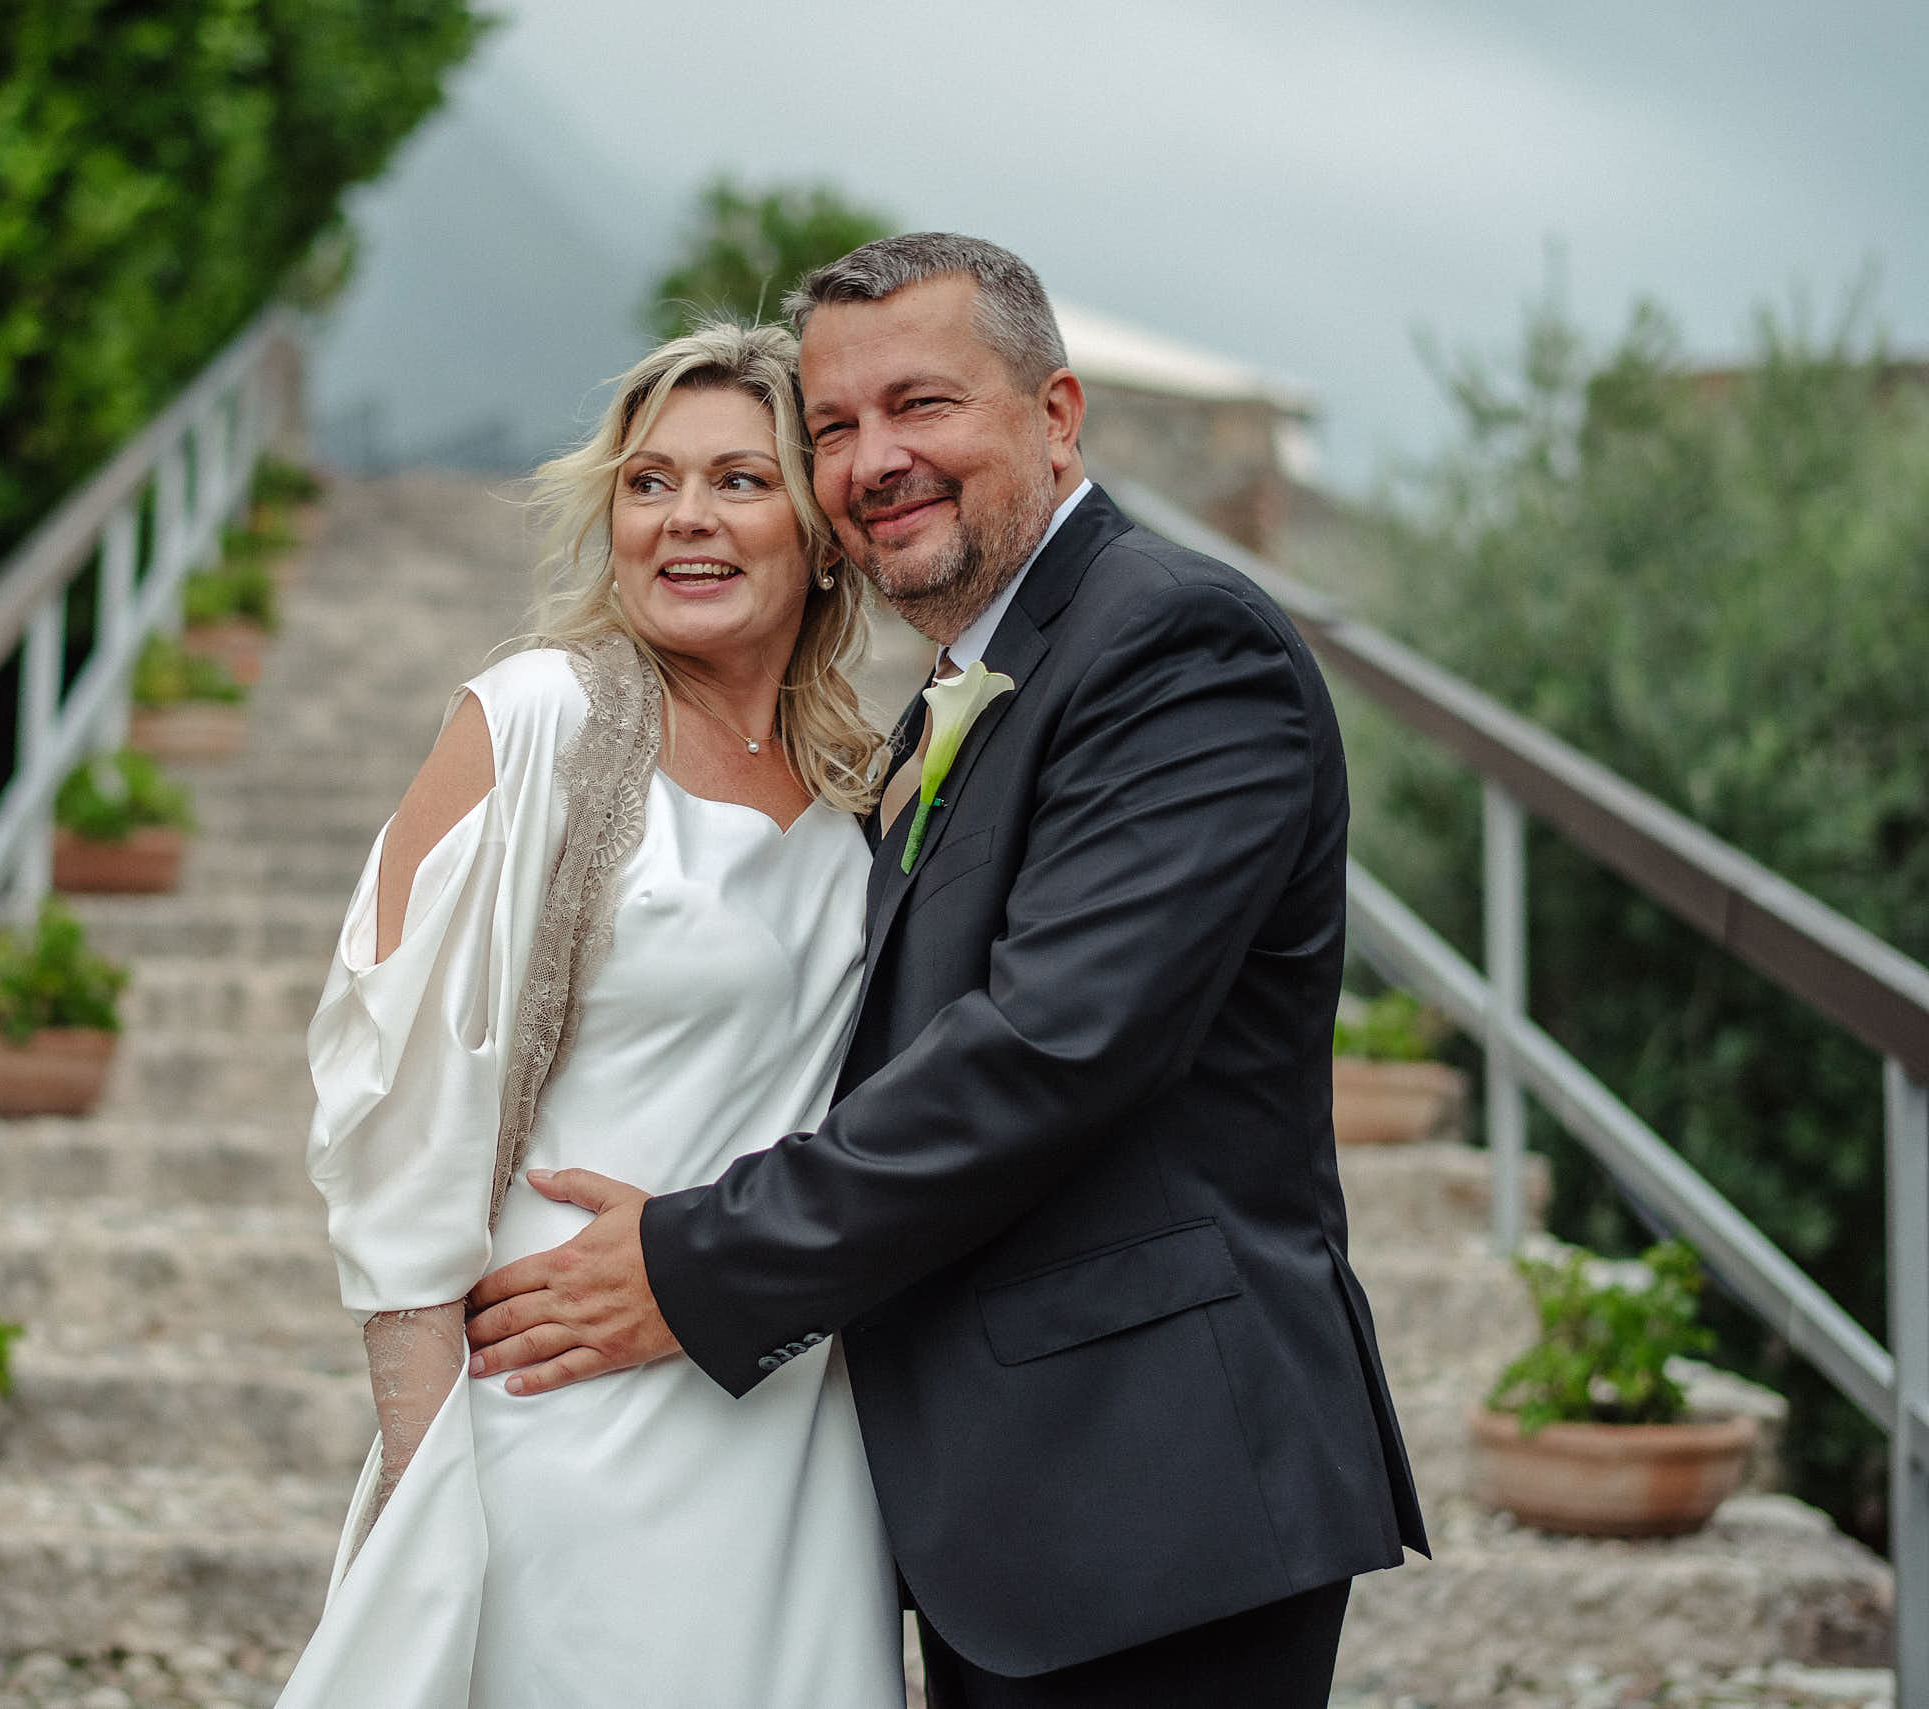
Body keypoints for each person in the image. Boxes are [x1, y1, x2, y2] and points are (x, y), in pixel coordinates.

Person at [466, 233, 1429, 1709]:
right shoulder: (962, 683)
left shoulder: (1177, 643)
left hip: (1153, 1490)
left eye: (922, 405)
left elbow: (1051, 1049)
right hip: (1011, 1492)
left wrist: (694, 1259)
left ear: (1055, 416)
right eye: (836, 427)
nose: (873, 460)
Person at [278, 322, 906, 1708]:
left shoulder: (873, 797)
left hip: (788, 1422)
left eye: (741, 479)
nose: (685, 517)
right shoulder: (536, 721)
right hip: (556, 1414)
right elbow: (398, 1116)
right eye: (648, 481)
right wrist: (429, 1481)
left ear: (823, 531)